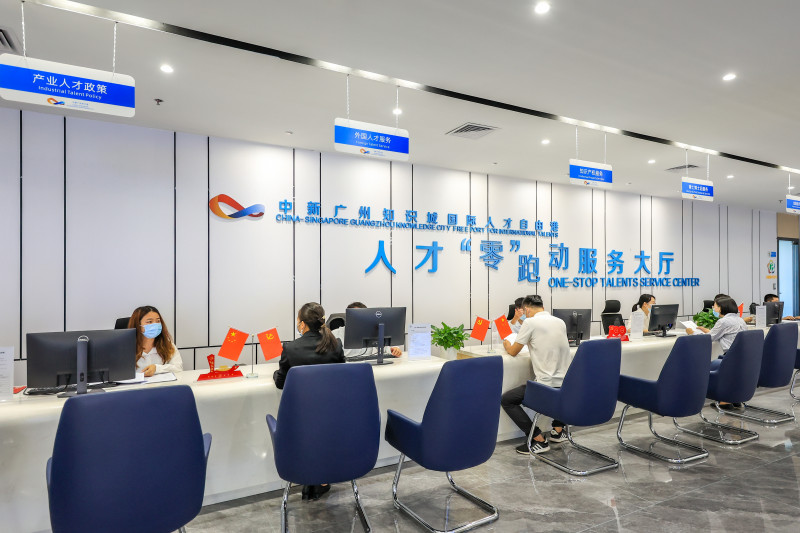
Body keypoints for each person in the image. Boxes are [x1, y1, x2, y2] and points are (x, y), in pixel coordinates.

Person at [273, 302, 345, 501]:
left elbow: (281, 383)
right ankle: (321, 480)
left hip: (300, 421)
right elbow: (342, 376)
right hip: (331, 419)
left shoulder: (291, 348)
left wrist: (276, 374)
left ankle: (310, 477)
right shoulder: (336, 344)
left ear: (302, 324)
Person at [501, 295, 572, 455]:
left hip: (545, 386)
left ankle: (537, 439)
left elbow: (513, 351)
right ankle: (558, 430)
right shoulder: (560, 321)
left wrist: (506, 345)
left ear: (526, 309)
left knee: (507, 400)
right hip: (567, 386)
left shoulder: (530, 323)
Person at [686, 296, 748, 410]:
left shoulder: (723, 321)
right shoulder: (740, 320)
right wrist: (706, 330)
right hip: (741, 357)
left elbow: (708, 339)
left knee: (703, 367)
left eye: (714, 306)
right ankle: (734, 398)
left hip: (730, 358)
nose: (713, 308)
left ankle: (725, 401)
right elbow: (723, 334)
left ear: (720, 308)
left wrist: (692, 333)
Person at [332, 302, 402, 358]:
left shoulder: (371, 332)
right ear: (348, 318)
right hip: (345, 367)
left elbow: (384, 347)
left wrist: (394, 349)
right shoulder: (335, 334)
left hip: (367, 366)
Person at [129, 305, 183, 377]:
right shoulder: (126, 347)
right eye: (149, 322)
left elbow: (178, 368)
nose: (155, 325)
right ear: (138, 325)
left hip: (163, 383)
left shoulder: (167, 344)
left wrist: (157, 368)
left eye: (158, 321)